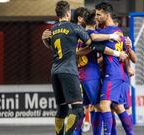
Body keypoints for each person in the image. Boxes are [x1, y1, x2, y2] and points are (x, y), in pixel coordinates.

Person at [41, 1, 92, 135]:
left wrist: (43, 40)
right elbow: (89, 43)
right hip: (69, 71)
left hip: (55, 72)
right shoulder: (74, 27)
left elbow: (52, 47)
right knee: (78, 109)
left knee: (62, 110)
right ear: (68, 13)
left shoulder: (52, 30)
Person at [95, 2, 134, 135]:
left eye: (99, 14)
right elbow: (125, 55)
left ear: (107, 15)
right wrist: (128, 67)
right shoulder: (119, 31)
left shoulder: (104, 32)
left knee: (104, 105)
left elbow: (92, 39)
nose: (97, 17)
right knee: (117, 106)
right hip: (119, 74)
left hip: (111, 74)